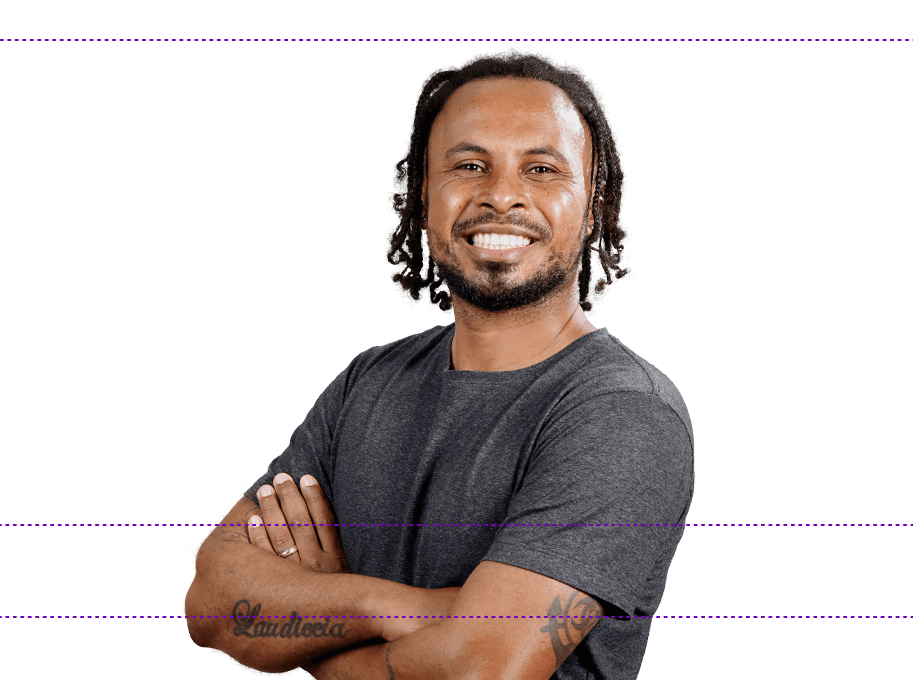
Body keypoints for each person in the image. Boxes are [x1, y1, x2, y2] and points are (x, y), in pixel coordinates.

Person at [182, 54, 694, 680]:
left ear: (594, 203)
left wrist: (319, 624)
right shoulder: (368, 385)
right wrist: (397, 607)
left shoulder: (622, 414)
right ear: (424, 195)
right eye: (468, 165)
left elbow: (478, 669)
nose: (502, 194)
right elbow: (212, 606)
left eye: (541, 169)